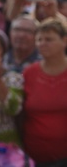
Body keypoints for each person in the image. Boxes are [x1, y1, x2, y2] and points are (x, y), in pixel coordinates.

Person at [22, 18, 67, 166]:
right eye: (39, 40)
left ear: (64, 41)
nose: (42, 44)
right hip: (34, 156)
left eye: (49, 39)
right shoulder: (29, 73)